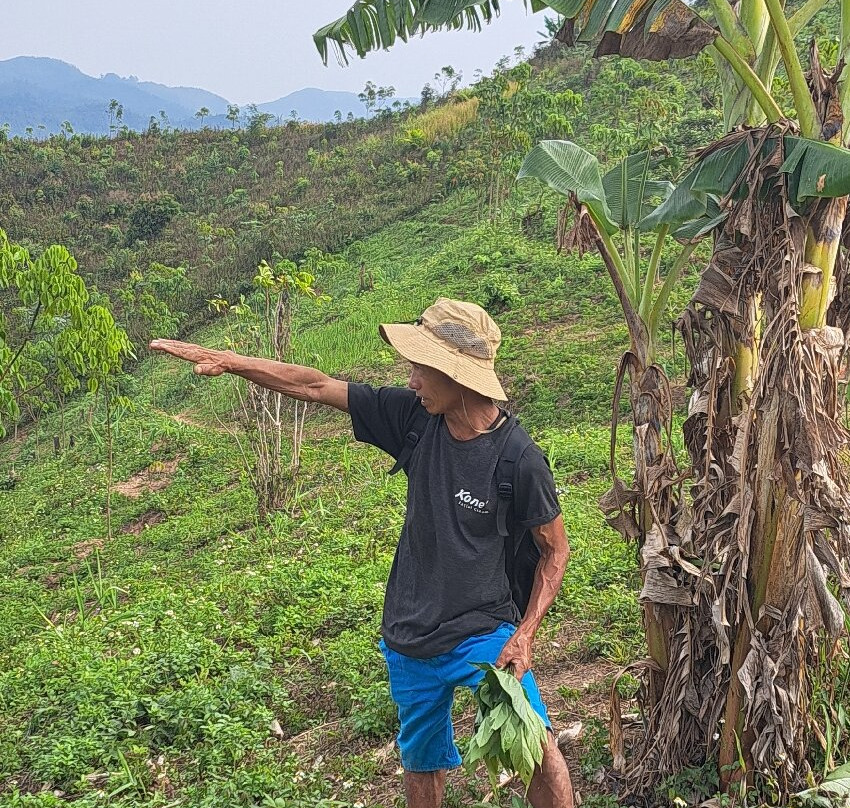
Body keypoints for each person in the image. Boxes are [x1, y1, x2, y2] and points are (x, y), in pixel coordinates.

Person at [150, 297, 574, 808]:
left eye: (420, 369)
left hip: (483, 632)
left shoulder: (518, 459)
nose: (412, 381)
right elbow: (314, 384)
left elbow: (555, 552)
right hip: (408, 635)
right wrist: (233, 361)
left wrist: (525, 635)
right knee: (422, 765)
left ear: (455, 373)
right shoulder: (412, 420)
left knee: (539, 750)